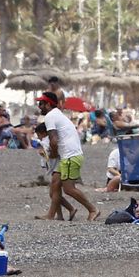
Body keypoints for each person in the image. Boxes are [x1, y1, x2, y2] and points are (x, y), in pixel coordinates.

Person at [37, 91, 97, 221]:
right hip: (68, 155)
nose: (39, 106)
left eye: (41, 103)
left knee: (69, 189)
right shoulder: (57, 114)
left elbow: (53, 140)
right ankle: (53, 215)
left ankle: (93, 209)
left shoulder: (50, 116)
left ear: (48, 104)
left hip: (70, 156)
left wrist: (52, 155)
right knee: (54, 186)